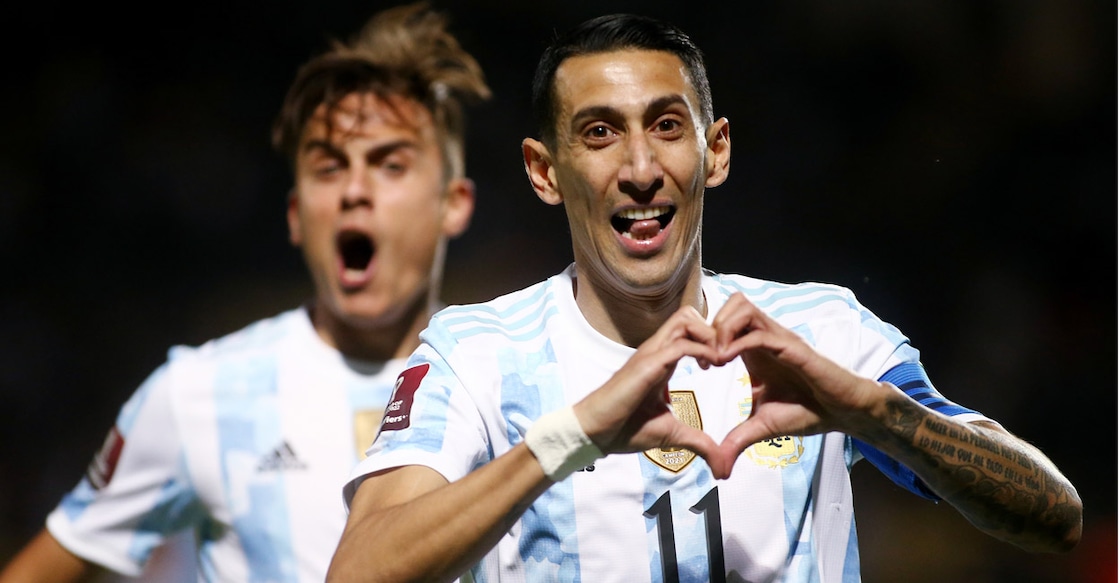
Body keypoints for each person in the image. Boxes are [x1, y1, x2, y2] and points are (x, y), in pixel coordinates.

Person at [326, 12, 1083, 583]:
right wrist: (567, 437)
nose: (640, 166)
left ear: (713, 150)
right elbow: (358, 570)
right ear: (543, 170)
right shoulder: (478, 353)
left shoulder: (822, 328)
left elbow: (1055, 516)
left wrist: (874, 412)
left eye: (665, 126)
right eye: (597, 133)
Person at [0, 2, 490, 582]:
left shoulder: (505, 378)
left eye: (390, 164)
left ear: (453, 204)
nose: (355, 189)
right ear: (295, 215)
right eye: (328, 167)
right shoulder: (201, 393)